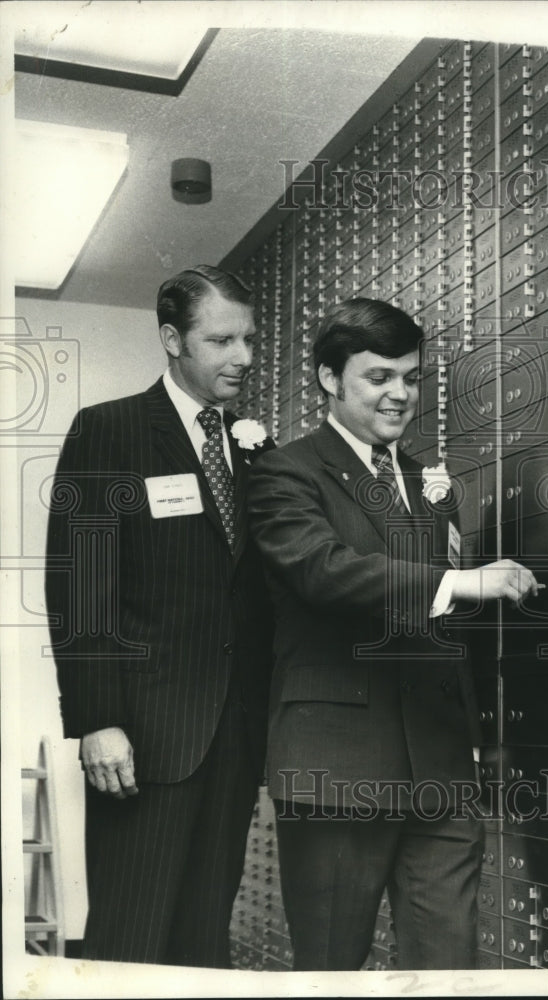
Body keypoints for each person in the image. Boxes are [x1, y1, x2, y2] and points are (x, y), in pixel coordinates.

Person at [248, 297, 541, 970]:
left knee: (448, 969)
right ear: (329, 378)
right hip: (339, 769)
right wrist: (464, 583)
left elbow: (444, 634)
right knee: (331, 970)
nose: (401, 394)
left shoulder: (426, 483)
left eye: (411, 377)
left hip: (439, 770)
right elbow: (326, 573)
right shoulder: (285, 472)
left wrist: (476, 739)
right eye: (379, 377)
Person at [45, 265, 274, 967]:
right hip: (142, 741)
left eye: (249, 339)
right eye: (222, 340)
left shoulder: (255, 448)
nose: (242, 357)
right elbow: (81, 587)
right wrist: (97, 721)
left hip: (233, 737)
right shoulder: (109, 430)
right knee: (130, 937)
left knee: (206, 940)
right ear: (173, 339)